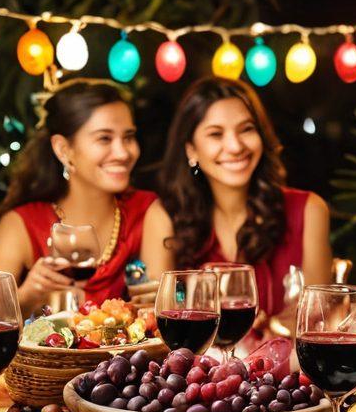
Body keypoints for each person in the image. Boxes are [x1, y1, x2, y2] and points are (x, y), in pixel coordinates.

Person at [141, 76, 331, 321]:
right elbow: (161, 322)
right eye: (216, 134)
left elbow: (318, 320)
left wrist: (272, 327)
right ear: (191, 150)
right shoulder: (164, 216)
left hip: (288, 360)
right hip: (198, 360)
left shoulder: (309, 210)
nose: (235, 146)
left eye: (247, 129)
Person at [0, 79, 155, 315]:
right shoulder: (19, 225)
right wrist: (26, 296)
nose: (123, 152)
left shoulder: (149, 211)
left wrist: (167, 298)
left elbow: (162, 321)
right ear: (64, 150)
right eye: (104, 138)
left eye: (128, 137)